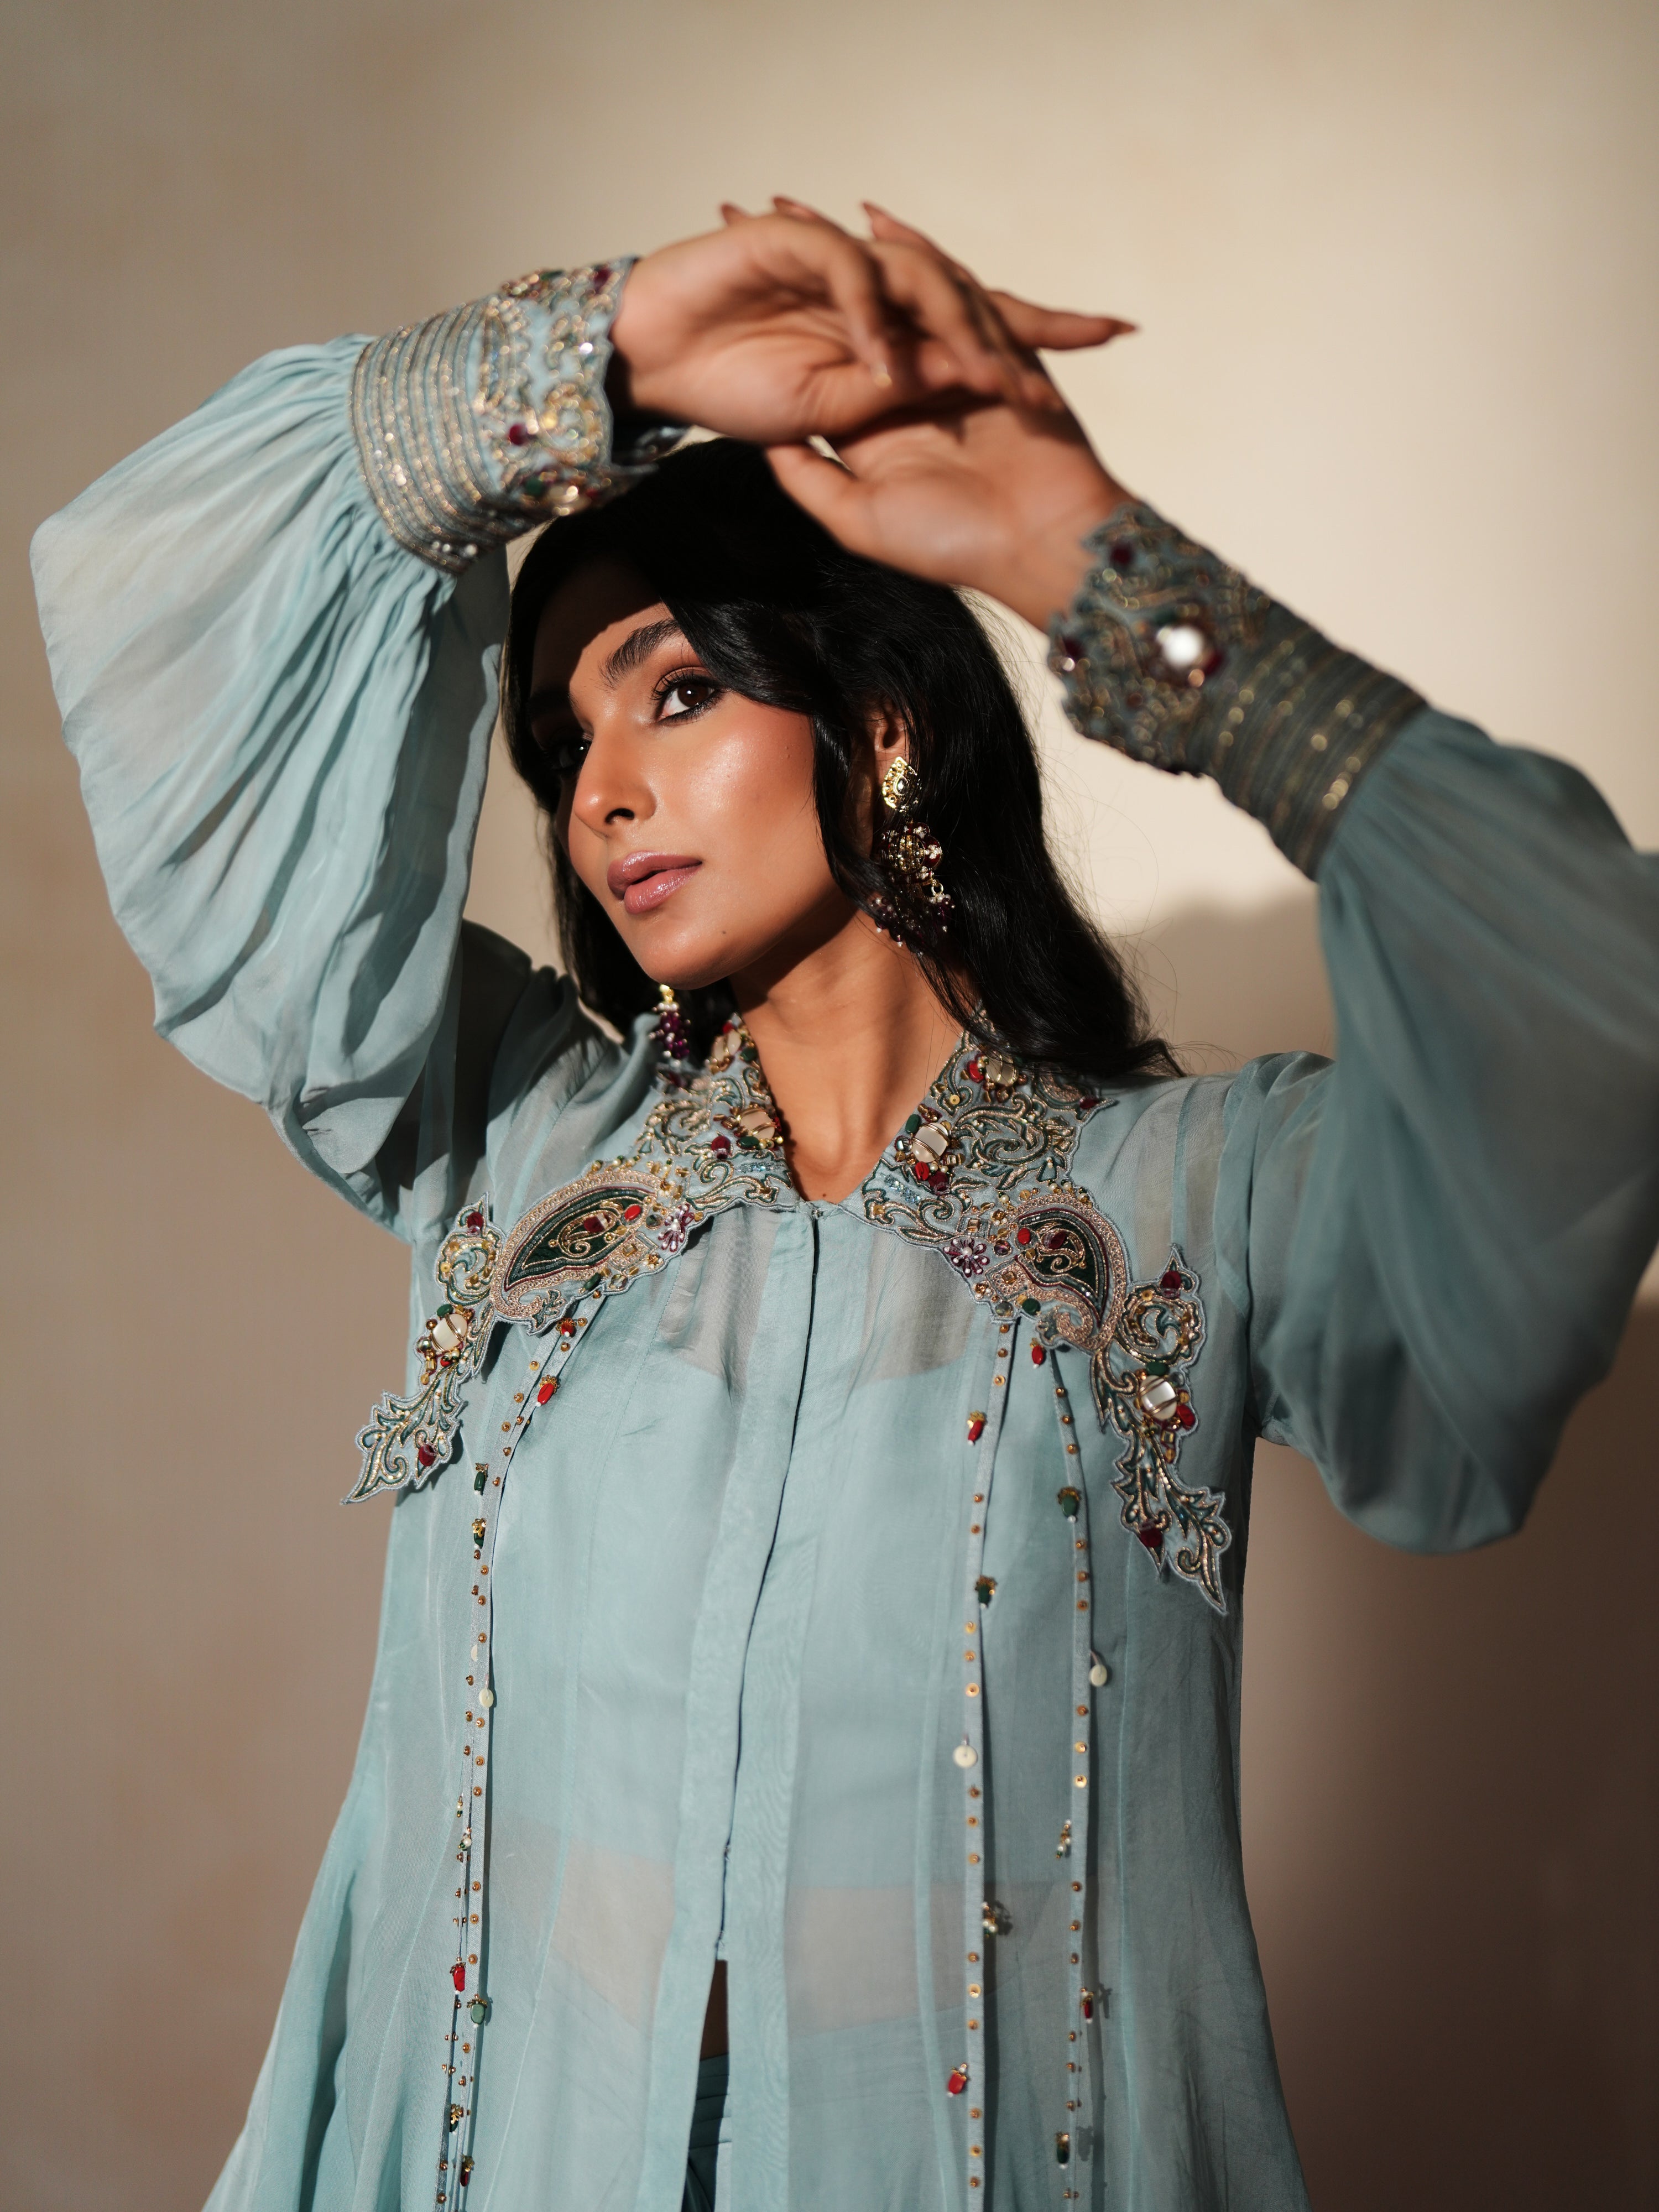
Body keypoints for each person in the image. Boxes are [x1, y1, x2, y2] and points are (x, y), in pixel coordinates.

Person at [32, 199, 1659, 2212]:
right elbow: (150, 623)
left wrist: (1076, 555)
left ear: (878, 721)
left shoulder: (1189, 1204)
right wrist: (604, 357)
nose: (599, 789)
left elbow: (1591, 1011)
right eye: (564, 740)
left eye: (675, 695)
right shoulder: (521, 1144)